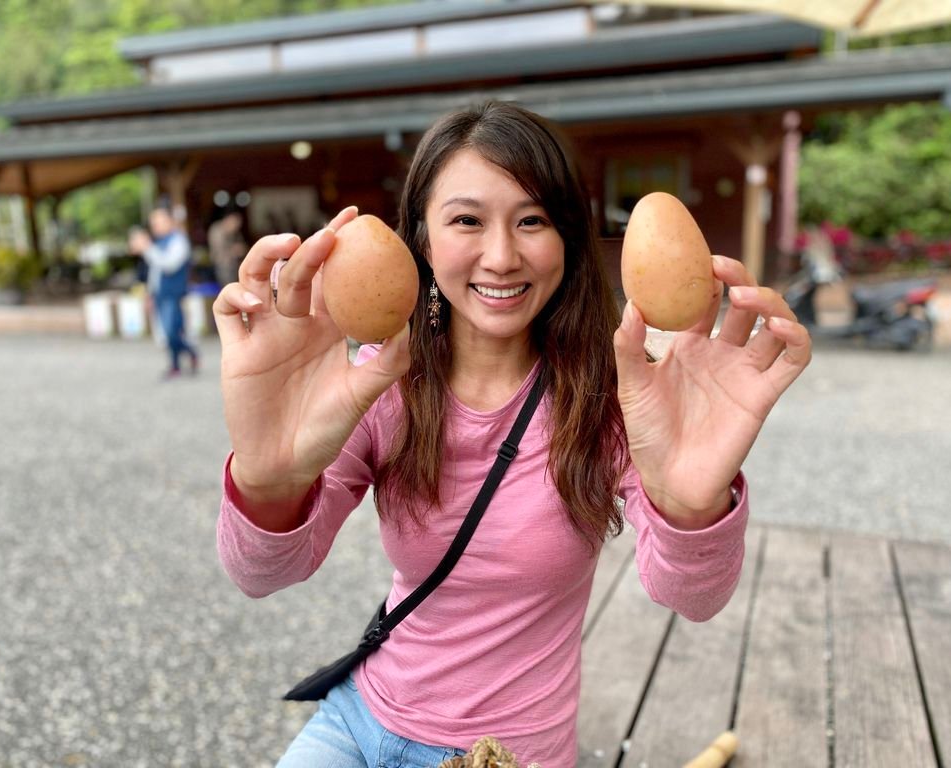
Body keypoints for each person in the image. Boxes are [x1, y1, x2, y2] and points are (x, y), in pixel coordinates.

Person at [212, 102, 812, 767]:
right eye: (467, 220)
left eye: (532, 220)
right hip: (361, 714)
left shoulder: (620, 399)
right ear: (423, 239)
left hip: (504, 752)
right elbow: (262, 574)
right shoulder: (378, 384)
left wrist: (693, 502)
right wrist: (269, 476)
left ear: (568, 239)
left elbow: (692, 597)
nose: (501, 256)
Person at [129, 205, 199, 379]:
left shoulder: (178, 241)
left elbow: (169, 265)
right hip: (159, 294)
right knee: (166, 333)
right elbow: (155, 273)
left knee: (171, 331)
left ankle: (189, 352)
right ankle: (176, 364)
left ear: (170, 221)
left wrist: (147, 248)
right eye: (154, 223)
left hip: (173, 293)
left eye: (160, 221)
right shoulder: (158, 243)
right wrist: (149, 294)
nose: (156, 226)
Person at [208, 209, 248, 287]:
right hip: (221, 266)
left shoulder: (234, 233)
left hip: (234, 266)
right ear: (229, 219)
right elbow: (219, 250)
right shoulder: (217, 230)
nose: (236, 227)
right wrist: (234, 250)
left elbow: (242, 245)